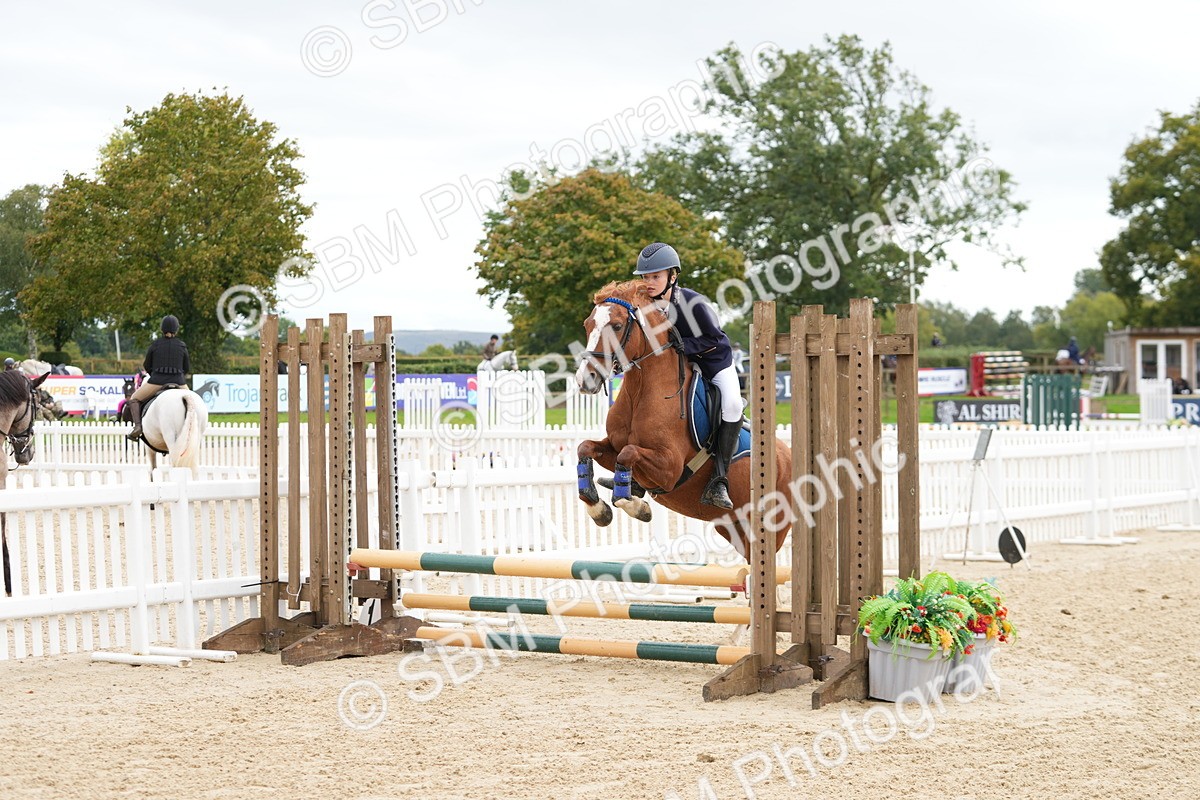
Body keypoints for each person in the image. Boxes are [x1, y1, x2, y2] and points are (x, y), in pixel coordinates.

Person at [633, 242, 741, 509]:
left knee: (733, 405)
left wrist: (684, 346)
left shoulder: (693, 302)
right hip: (680, 366)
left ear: (672, 277)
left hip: (714, 362)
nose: (649, 283)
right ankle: (636, 478)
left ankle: (719, 479)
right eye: (646, 277)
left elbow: (714, 338)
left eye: (656, 277)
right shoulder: (646, 305)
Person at [126, 315, 190, 441]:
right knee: (194, 402)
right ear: (176, 329)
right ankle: (197, 427)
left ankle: (137, 427)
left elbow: (147, 365)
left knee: (134, 399)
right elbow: (186, 367)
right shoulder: (182, 346)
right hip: (179, 382)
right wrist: (178, 375)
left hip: (157, 381)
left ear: (162, 329)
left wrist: (154, 374)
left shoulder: (155, 345)